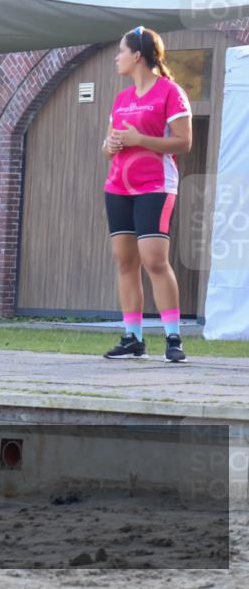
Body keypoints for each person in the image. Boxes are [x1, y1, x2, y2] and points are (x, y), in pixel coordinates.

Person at [102, 26, 192, 362]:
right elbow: (109, 145)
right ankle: (133, 338)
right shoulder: (121, 98)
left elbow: (184, 143)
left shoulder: (170, 91)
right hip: (117, 187)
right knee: (125, 261)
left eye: (121, 51)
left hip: (155, 185)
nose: (117, 58)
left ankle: (173, 338)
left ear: (137, 55)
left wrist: (141, 140)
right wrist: (109, 145)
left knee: (154, 260)